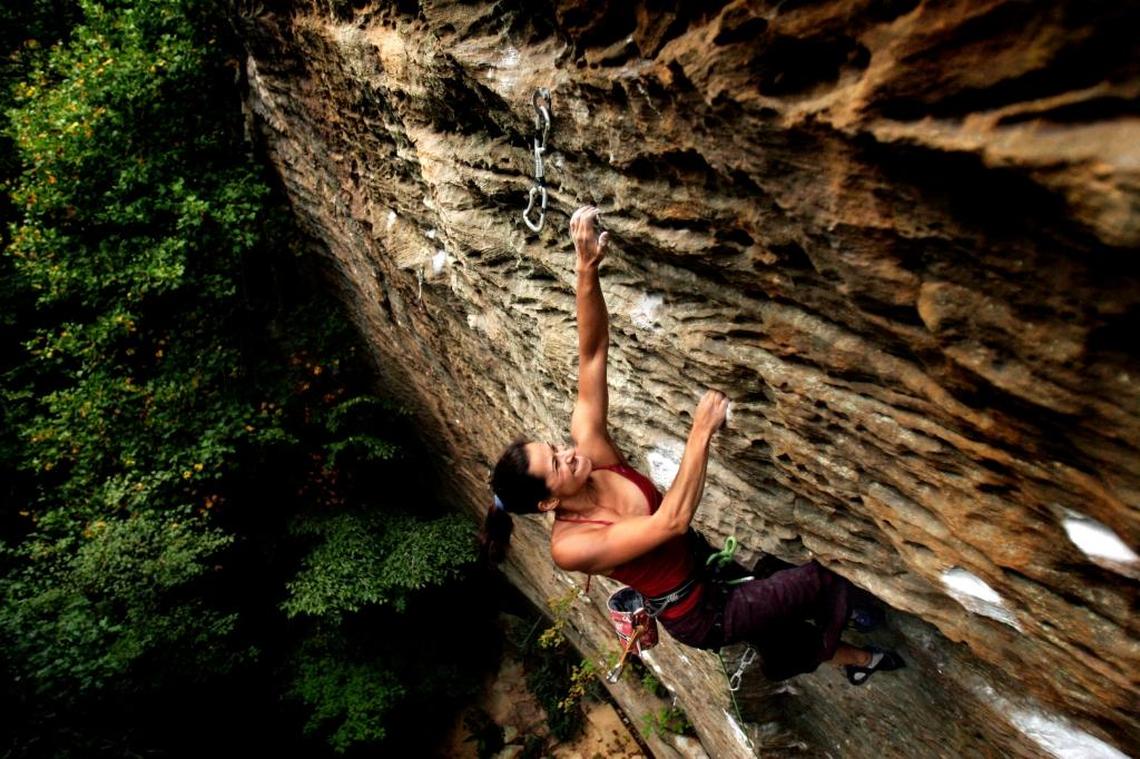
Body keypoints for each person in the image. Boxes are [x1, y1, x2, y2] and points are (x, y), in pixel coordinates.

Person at [482, 205, 904, 685]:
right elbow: (670, 521)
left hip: (705, 565)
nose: (569, 450)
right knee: (816, 582)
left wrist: (585, 269)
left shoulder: (591, 450)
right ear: (550, 500)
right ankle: (850, 612)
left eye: (557, 446)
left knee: (780, 617)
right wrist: (700, 432)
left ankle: (856, 662)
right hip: (701, 613)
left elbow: (592, 353)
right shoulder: (571, 546)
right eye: (558, 462)